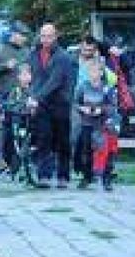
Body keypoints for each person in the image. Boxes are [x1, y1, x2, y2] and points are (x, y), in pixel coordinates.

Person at [28, 23, 74, 188]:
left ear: (55, 37)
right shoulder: (33, 54)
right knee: (43, 139)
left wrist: (36, 97)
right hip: (42, 104)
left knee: (62, 141)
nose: (46, 39)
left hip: (60, 103)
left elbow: (55, 81)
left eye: (49, 36)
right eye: (43, 36)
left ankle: (63, 176)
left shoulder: (63, 57)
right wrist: (31, 96)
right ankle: (44, 175)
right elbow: (32, 78)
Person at [73, 60, 120, 190]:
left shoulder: (107, 88)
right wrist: (82, 109)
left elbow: (113, 106)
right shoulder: (83, 87)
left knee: (105, 151)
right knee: (86, 150)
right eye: (91, 71)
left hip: (103, 125)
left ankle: (107, 177)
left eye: (96, 71)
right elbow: (76, 103)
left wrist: (102, 110)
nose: (94, 74)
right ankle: (87, 176)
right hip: (87, 123)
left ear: (101, 72)